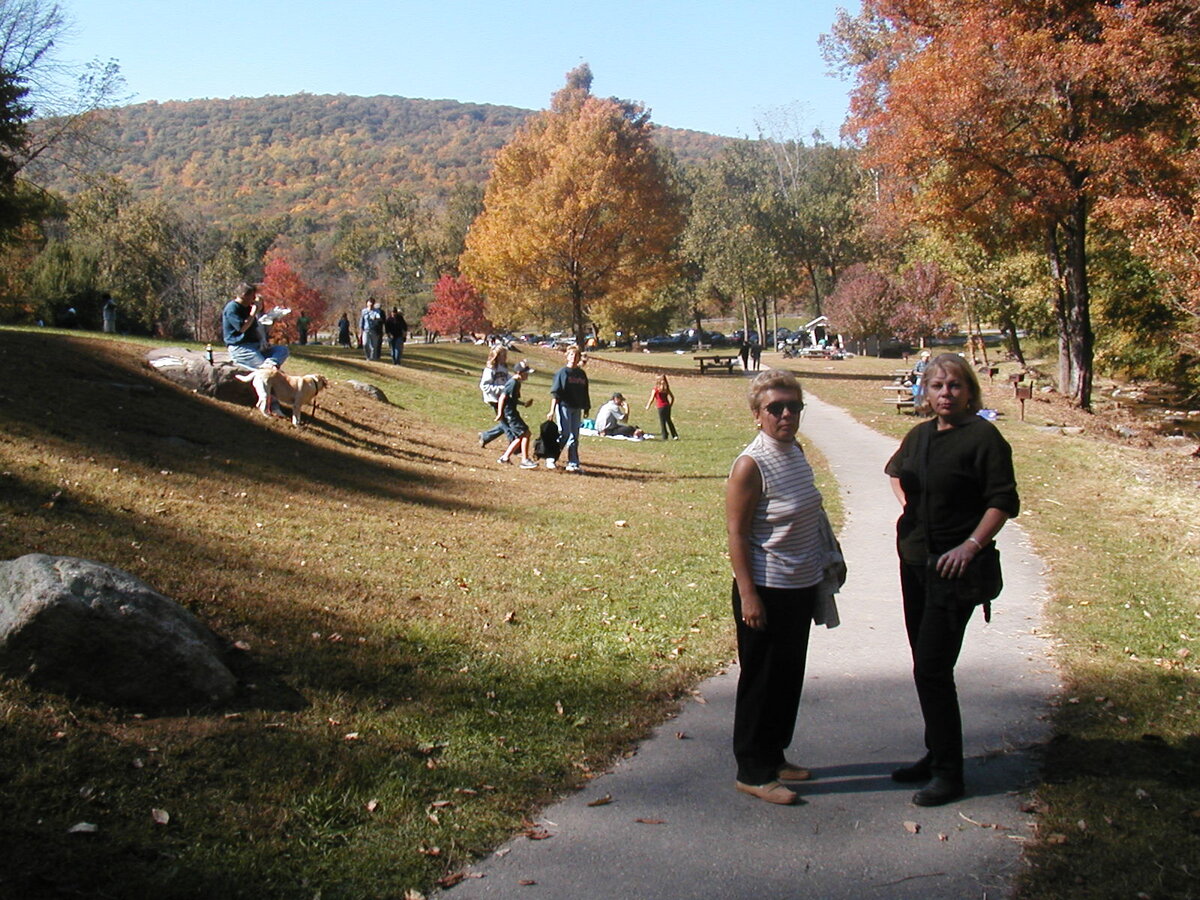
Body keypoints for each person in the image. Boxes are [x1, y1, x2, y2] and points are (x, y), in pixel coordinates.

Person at [884, 353, 1020, 807]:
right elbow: (894, 473)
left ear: (969, 392)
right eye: (937, 386)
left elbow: (1002, 501)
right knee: (924, 662)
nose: (945, 393)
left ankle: (949, 774)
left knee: (933, 669)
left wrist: (970, 545)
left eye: (954, 386)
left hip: (955, 570)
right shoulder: (919, 435)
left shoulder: (983, 438)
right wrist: (909, 508)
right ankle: (935, 752)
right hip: (915, 563)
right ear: (925, 391)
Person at [725, 369, 827, 805]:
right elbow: (737, 534)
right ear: (756, 414)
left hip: (800, 585)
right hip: (765, 588)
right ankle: (752, 769)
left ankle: (774, 755)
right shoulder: (750, 464)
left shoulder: (794, 451)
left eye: (794, 407)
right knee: (761, 681)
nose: (786, 414)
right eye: (775, 408)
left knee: (787, 677)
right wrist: (749, 593)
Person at [222, 282, 289, 371]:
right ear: (244, 295)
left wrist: (263, 342)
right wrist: (253, 311)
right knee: (265, 371)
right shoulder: (232, 308)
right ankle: (268, 369)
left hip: (255, 345)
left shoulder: (248, 307)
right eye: (252, 296)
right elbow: (242, 328)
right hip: (240, 347)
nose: (254, 299)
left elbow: (255, 328)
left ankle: (270, 364)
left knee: (282, 350)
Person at [549, 345, 590, 474]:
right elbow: (556, 393)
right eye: (571, 355)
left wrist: (586, 406)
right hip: (564, 406)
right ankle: (551, 457)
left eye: (576, 356)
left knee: (575, 436)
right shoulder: (562, 373)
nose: (574, 358)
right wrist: (551, 410)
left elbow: (585, 391)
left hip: (576, 408)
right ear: (567, 356)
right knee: (565, 434)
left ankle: (573, 463)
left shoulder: (581, 374)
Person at [495, 361, 538, 468]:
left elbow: (511, 399)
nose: (527, 375)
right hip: (510, 414)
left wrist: (523, 404)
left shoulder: (517, 383)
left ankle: (505, 458)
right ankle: (525, 460)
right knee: (526, 433)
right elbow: (502, 397)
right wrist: (500, 413)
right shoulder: (513, 383)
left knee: (521, 436)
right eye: (526, 373)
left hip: (512, 412)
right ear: (519, 372)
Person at [477, 345, 512, 449]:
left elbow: (507, 379)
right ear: (496, 356)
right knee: (507, 422)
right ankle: (515, 446)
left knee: (507, 421)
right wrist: (501, 389)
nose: (505, 357)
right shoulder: (490, 369)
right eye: (503, 355)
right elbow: (484, 385)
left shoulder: (504, 367)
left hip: (503, 397)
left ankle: (485, 436)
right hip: (494, 399)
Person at [645, 373, 679, 440]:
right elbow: (672, 397)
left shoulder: (656, 389)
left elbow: (651, 399)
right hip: (667, 406)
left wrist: (648, 405)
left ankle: (664, 436)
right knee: (669, 420)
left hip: (661, 407)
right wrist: (670, 405)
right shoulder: (666, 389)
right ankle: (674, 435)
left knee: (662, 422)